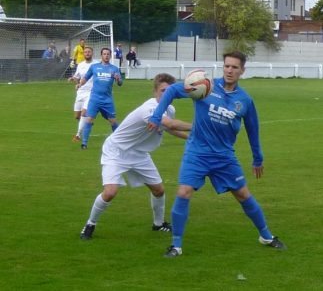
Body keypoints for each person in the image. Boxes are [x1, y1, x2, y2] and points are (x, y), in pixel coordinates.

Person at [148, 51, 286, 258]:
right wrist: (157, 114)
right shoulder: (206, 86)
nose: (229, 70)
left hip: (224, 157)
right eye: (227, 66)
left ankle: (266, 236)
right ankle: (176, 246)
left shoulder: (245, 100)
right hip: (197, 152)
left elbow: (253, 130)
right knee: (184, 192)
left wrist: (258, 158)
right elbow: (172, 91)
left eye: (234, 67)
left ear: (242, 71)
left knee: (243, 195)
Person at [80, 73, 192, 240]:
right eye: (162, 90)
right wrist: (199, 127)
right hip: (116, 151)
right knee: (110, 192)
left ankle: (158, 224)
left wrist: (193, 137)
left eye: (169, 91)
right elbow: (169, 124)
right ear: (155, 92)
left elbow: (168, 128)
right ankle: (90, 224)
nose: (165, 94)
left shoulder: (170, 109)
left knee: (159, 190)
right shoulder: (149, 108)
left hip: (139, 154)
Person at [77, 47, 122, 149]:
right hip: (95, 99)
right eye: (104, 54)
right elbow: (85, 78)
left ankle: (120, 141)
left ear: (110, 56)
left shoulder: (114, 69)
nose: (106, 56)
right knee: (89, 120)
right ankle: (84, 143)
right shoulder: (94, 67)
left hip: (107, 100)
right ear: (101, 55)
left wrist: (118, 79)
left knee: (113, 121)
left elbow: (120, 83)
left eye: (108, 54)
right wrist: (80, 84)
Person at [68, 46, 96, 142]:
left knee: (84, 113)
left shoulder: (96, 64)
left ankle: (78, 135)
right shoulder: (80, 65)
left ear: (92, 53)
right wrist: (73, 79)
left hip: (91, 92)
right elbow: (77, 77)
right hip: (80, 92)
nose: (87, 53)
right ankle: (88, 121)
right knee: (77, 116)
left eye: (89, 52)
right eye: (85, 52)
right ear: (83, 54)